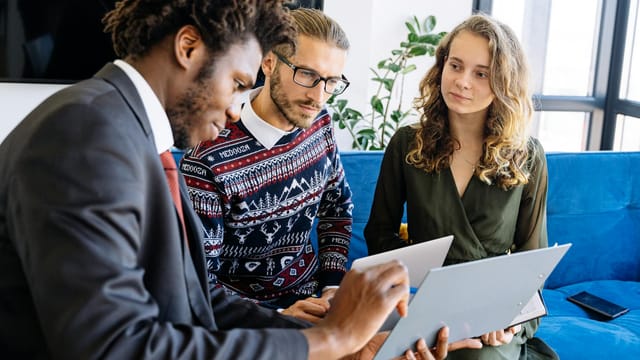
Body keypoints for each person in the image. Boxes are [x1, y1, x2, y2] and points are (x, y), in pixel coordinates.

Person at [0, 1, 468, 359]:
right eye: (238, 83)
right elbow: (118, 346)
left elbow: (197, 300)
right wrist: (330, 339)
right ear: (188, 48)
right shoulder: (85, 135)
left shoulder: (125, 131)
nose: (233, 110)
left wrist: (338, 345)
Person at [364, 14, 558, 360]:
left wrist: (511, 320)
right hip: (425, 305)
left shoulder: (527, 155)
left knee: (477, 357)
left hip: (492, 316)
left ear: (503, 81)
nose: (462, 81)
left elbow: (533, 263)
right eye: (455, 65)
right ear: (442, 66)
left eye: (481, 73)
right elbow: (380, 235)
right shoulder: (407, 143)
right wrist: (417, 290)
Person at [181, 8, 352, 323]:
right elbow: (199, 281)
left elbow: (337, 208)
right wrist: (278, 315)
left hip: (316, 305)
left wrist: (332, 286)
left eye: (331, 82)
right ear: (269, 62)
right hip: (250, 323)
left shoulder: (320, 122)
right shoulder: (208, 159)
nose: (319, 95)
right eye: (307, 75)